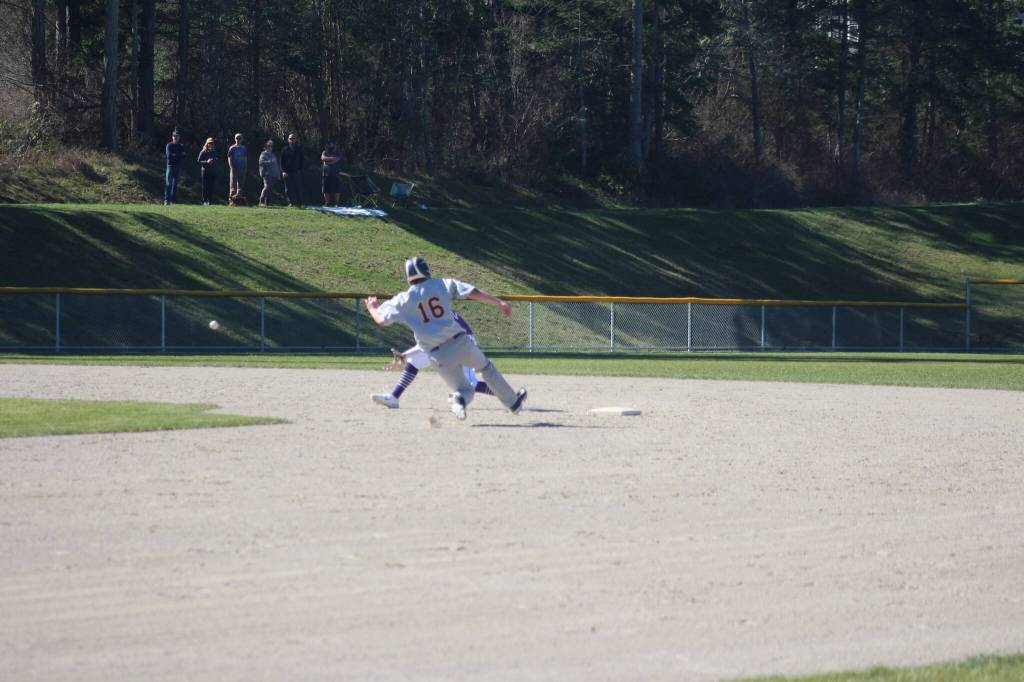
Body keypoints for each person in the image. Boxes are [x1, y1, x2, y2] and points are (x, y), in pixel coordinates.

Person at [364, 256, 527, 421]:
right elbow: (472, 292)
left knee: (465, 389)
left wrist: (372, 308)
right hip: (461, 343)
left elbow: (381, 320)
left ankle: (459, 400)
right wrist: (499, 302)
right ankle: (513, 403)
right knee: (486, 369)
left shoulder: (402, 299)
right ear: (426, 270)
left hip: (437, 355)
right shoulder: (441, 284)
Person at [371, 311, 496, 409]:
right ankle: (394, 397)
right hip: (446, 343)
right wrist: (405, 356)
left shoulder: (431, 314)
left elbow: (426, 343)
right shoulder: (429, 311)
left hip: (464, 342)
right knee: (414, 362)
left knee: (471, 384)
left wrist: (404, 356)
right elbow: (427, 343)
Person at [280, 133, 305, 207]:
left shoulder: (299, 149)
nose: (292, 140)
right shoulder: (284, 149)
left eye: (293, 138)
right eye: (290, 139)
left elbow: (302, 160)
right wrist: (283, 171)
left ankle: (300, 203)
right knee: (288, 188)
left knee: (298, 187)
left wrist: (300, 169)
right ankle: (291, 202)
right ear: (288, 140)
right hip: (287, 172)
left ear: (295, 140)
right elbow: (281, 161)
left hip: (296, 171)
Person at [258, 139, 281, 207]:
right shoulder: (263, 154)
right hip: (266, 174)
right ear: (266, 146)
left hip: (273, 174)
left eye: (271, 146)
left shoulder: (273, 155)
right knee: (266, 187)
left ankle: (267, 202)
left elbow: (276, 165)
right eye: (268, 146)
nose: (270, 147)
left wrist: (278, 174)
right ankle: (261, 201)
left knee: (270, 188)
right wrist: (270, 161)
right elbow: (261, 163)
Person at [163, 130, 185, 205]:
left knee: (175, 184)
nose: (175, 137)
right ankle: (166, 200)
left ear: (179, 137)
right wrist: (178, 155)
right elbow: (169, 156)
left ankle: (173, 201)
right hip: (170, 166)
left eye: (177, 136)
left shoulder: (181, 146)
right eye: (174, 136)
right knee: (168, 183)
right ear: (172, 137)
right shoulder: (169, 145)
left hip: (178, 166)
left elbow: (184, 156)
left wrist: (175, 155)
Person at [320, 140, 343, 207]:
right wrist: (332, 159)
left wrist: (328, 161)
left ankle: (337, 203)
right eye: (329, 144)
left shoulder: (338, 152)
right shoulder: (325, 152)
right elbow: (323, 158)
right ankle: (327, 203)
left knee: (336, 189)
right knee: (325, 189)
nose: (330, 145)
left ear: (334, 145)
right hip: (325, 173)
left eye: (332, 144)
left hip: (335, 173)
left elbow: (336, 160)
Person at [197, 137, 218, 205]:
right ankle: (204, 201)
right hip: (205, 171)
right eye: (209, 143)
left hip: (213, 171)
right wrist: (207, 161)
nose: (211, 144)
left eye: (212, 143)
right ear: (207, 143)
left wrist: (213, 161)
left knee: (211, 186)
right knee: (205, 186)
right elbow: (199, 160)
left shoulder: (214, 152)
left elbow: (216, 160)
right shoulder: (203, 151)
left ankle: (210, 201)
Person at [227, 133, 247, 201]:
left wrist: (245, 167)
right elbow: (229, 158)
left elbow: (245, 158)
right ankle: (231, 201)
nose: (238, 139)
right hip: (234, 169)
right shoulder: (232, 148)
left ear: (242, 139)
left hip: (241, 169)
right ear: (235, 139)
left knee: (240, 186)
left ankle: (238, 201)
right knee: (233, 186)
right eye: (237, 138)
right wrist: (231, 167)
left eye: (239, 138)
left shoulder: (243, 148)